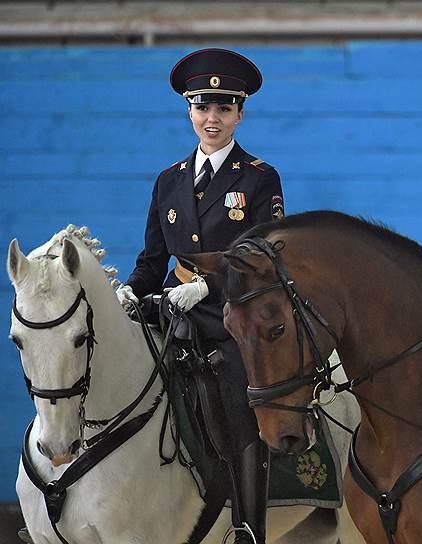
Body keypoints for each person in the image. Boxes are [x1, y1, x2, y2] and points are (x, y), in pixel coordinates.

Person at [116, 48, 284, 544]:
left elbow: (262, 257)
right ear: (189, 110)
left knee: (239, 403)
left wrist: (208, 285)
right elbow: (152, 259)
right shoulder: (168, 180)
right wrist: (130, 289)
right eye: (202, 107)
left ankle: (247, 524)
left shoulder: (258, 177)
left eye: (224, 108)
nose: (212, 119)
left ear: (239, 113)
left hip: (231, 314)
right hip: (172, 310)